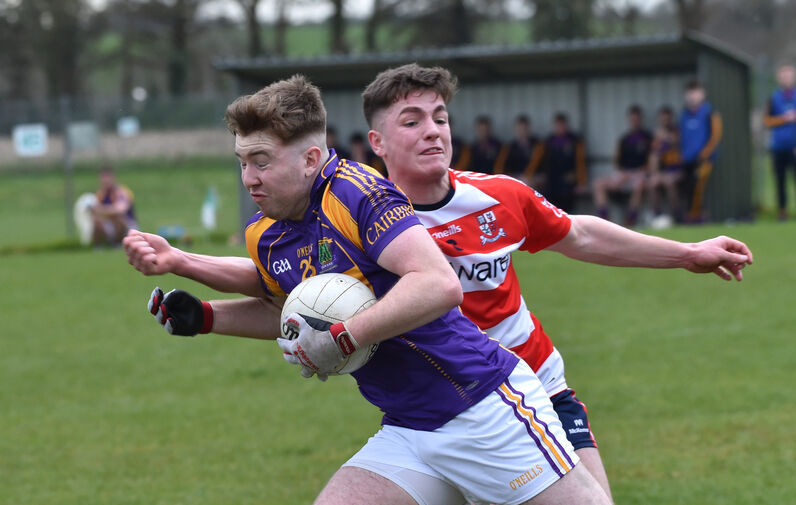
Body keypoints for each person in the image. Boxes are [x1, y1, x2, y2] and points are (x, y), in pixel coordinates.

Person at [123, 75, 612, 505]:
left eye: (261, 161)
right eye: (242, 162)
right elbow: (295, 314)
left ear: (311, 158)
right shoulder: (266, 231)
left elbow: (438, 284)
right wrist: (207, 316)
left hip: (482, 409)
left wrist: (344, 338)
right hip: (408, 427)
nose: (249, 178)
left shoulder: (359, 193)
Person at [362, 63, 754, 503]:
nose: (433, 131)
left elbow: (579, 235)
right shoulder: (361, 227)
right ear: (377, 142)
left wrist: (688, 253)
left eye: (441, 118)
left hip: (536, 390)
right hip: (435, 411)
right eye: (412, 122)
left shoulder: (497, 195)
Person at [592, 105, 652, 226]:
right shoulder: (624, 139)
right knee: (598, 184)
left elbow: (651, 161)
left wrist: (633, 174)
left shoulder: (648, 137)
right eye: (632, 119)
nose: (634, 122)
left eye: (637, 119)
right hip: (624, 174)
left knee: (639, 185)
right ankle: (604, 220)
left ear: (640, 119)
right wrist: (621, 175)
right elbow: (618, 162)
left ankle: (631, 220)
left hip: (639, 174)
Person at [679, 80, 722, 222]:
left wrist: (705, 153)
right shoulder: (684, 114)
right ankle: (692, 216)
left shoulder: (710, 112)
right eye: (690, 92)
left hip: (703, 160)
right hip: (687, 160)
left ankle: (697, 216)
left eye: (696, 92)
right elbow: (682, 137)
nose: (693, 96)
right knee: (688, 188)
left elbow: (716, 136)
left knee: (698, 187)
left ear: (703, 93)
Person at [763, 64, 796, 220]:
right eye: (783, 75)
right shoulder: (773, 98)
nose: (786, 78)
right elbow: (767, 121)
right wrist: (784, 119)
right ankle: (782, 211)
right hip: (778, 147)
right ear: (778, 78)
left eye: (789, 75)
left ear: (794, 76)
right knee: (780, 181)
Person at [535, 113, 587, 213]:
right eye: (557, 125)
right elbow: (540, 161)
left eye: (562, 125)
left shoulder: (574, 140)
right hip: (552, 179)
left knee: (566, 197)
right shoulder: (549, 141)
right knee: (549, 198)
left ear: (566, 125)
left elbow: (580, 162)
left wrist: (581, 182)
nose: (560, 128)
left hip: (568, 179)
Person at [647, 106, 684, 221]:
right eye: (663, 119)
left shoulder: (677, 132)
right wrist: (655, 173)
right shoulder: (657, 137)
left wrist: (665, 137)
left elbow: (676, 143)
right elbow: (654, 156)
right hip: (663, 172)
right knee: (653, 182)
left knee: (669, 182)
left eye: (667, 119)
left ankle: (677, 215)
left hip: (677, 171)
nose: (665, 121)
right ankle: (657, 215)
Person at [91, 166, 137, 245]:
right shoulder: (100, 194)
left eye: (108, 177)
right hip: (109, 224)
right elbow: (93, 211)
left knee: (118, 218)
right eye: (103, 177)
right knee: (96, 220)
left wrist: (102, 210)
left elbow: (120, 210)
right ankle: (99, 245)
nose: (106, 180)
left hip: (128, 226)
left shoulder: (122, 192)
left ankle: (118, 243)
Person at [494, 114, 544, 182]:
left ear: (528, 129)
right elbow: (501, 167)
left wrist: (526, 177)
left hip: (533, 176)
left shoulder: (537, 145)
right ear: (516, 129)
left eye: (524, 129)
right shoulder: (509, 147)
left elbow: (537, 166)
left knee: (528, 181)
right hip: (516, 176)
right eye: (520, 129)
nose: (522, 132)